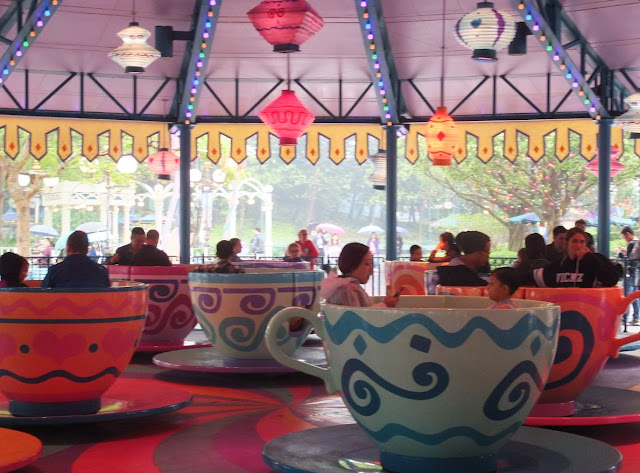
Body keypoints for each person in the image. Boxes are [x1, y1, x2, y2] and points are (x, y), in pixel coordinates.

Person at [533, 227, 622, 288]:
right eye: (574, 241)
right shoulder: (560, 263)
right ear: (567, 243)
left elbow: (611, 279)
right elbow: (537, 277)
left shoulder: (596, 259)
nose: (578, 245)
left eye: (582, 242)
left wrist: (589, 258)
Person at [320, 242, 398, 307]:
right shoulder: (347, 289)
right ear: (352, 264)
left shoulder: (345, 286)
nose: (371, 270)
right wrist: (385, 305)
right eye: (367, 264)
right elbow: (357, 315)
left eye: (371, 264)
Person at [42, 231, 109, 288]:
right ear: (87, 250)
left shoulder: (54, 271)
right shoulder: (101, 272)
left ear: (68, 248)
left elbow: (43, 292)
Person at [621, 226, 640, 325]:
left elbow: (630, 258)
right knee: (635, 296)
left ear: (627, 234)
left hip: (629, 273)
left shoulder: (632, 244)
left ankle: (625, 317)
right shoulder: (637, 242)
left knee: (627, 295)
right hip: (636, 273)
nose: (625, 239)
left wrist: (621, 254)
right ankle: (636, 317)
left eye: (624, 237)